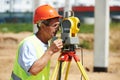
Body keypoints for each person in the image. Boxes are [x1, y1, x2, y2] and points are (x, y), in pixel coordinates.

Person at [10, 4, 63, 80]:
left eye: (58, 26)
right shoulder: (28, 44)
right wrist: (51, 51)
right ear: (42, 26)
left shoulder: (47, 43)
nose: (57, 29)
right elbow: (33, 70)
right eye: (54, 26)